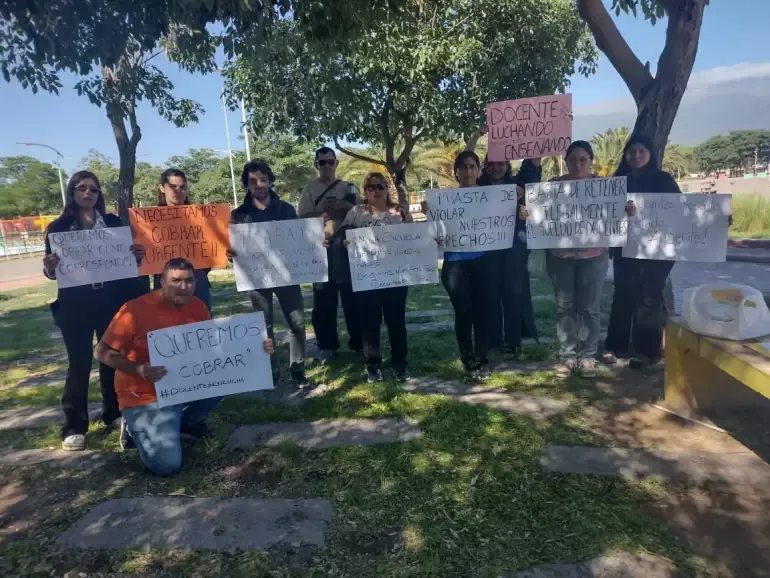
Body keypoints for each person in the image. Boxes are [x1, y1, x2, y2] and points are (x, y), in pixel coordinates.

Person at [94, 257, 275, 475]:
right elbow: (101, 351)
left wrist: (256, 347)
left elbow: (213, 349)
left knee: (230, 378)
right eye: (176, 281)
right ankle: (134, 426)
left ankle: (184, 422)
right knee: (167, 465)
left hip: (184, 386)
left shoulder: (198, 307)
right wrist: (138, 369)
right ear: (162, 282)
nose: (184, 287)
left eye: (189, 281)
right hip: (143, 395)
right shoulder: (133, 310)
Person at [43, 171, 146, 451]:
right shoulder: (57, 228)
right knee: (79, 364)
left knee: (110, 358)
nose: (88, 194)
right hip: (75, 305)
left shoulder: (113, 223)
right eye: (82, 188)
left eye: (94, 190)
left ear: (100, 195)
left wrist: (137, 256)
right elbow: (51, 272)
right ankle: (75, 425)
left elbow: (128, 261)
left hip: (110, 300)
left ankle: (113, 411)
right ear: (72, 192)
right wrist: (49, 267)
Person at [521, 141, 628, 377]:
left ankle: (588, 356)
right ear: (566, 161)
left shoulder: (604, 188)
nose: (578, 163)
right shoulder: (553, 186)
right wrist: (526, 213)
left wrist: (627, 211)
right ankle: (568, 356)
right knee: (564, 308)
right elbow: (538, 215)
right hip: (560, 258)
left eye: (583, 159)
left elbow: (617, 215)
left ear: (591, 161)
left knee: (590, 308)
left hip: (594, 257)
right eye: (573, 159)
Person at [229, 159, 313, 389]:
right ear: (246, 184)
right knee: (263, 327)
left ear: (270, 181)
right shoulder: (238, 215)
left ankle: (297, 369)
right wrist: (231, 253)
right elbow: (232, 248)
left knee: (296, 323)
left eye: (263, 179)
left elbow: (300, 240)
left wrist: (315, 245)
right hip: (256, 278)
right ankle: (271, 371)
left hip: (287, 276)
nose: (259, 184)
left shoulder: (286, 209)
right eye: (253, 180)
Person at [602, 135, 681, 371]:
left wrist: (718, 221)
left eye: (641, 151)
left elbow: (685, 213)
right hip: (625, 249)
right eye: (631, 152)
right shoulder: (617, 182)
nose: (636, 156)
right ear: (625, 155)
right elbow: (604, 214)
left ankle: (647, 351)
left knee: (649, 298)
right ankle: (616, 345)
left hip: (657, 252)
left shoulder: (664, 180)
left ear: (651, 154)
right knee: (623, 295)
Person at [340, 172, 413, 383]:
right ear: (365, 191)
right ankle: (373, 364)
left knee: (396, 322)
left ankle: (400, 363)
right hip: (367, 277)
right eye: (371, 187)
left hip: (396, 277)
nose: (376, 191)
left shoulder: (399, 213)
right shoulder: (356, 213)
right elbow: (344, 234)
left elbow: (414, 239)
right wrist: (345, 241)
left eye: (380, 186)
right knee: (370, 323)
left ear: (387, 189)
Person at [439, 151, 500, 381]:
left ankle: (483, 357)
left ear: (478, 170)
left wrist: (516, 194)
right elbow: (435, 232)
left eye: (472, 166)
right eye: (463, 167)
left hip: (484, 261)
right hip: (456, 264)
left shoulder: (491, 195)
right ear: (456, 172)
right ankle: (468, 360)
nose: (468, 171)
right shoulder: (445, 201)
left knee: (483, 312)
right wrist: (430, 213)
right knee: (463, 313)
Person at [298, 147, 362, 363]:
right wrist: (323, 213)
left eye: (330, 162)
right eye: (322, 162)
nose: (326, 166)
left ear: (336, 163)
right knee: (323, 302)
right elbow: (302, 217)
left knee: (353, 299)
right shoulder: (309, 189)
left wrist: (344, 205)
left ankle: (359, 343)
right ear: (316, 165)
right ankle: (327, 346)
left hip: (347, 249)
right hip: (321, 250)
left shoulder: (348, 187)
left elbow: (362, 214)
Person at [477, 152, 542, 355]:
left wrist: (524, 208)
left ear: (508, 164)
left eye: (501, 163)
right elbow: (462, 165)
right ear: (485, 166)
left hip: (514, 250)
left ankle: (513, 341)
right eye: (491, 164)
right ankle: (493, 340)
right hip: (487, 251)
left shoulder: (518, 185)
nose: (496, 167)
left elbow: (533, 166)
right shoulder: (478, 187)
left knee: (514, 294)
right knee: (489, 296)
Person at [152, 169, 213, 312]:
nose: (178, 190)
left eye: (182, 186)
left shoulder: (201, 217)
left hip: (198, 281)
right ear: (162, 188)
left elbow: (211, 250)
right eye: (173, 186)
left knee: (202, 326)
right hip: (164, 282)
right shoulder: (148, 221)